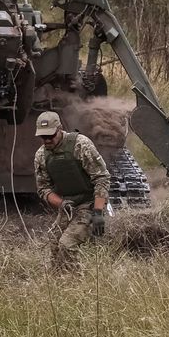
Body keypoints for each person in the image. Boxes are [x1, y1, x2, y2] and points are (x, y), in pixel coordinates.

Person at [32, 111, 110, 269]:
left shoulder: (80, 145)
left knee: (67, 244)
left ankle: (75, 284)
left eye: (50, 136)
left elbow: (101, 178)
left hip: (89, 204)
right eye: (43, 137)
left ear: (59, 129)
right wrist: (61, 203)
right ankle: (58, 280)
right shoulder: (41, 155)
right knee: (54, 242)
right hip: (69, 207)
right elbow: (43, 188)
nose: (47, 140)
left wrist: (98, 212)